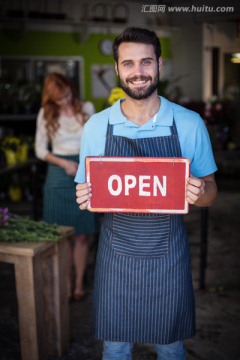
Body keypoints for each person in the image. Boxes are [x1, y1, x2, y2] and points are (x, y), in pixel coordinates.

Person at [75, 27, 218, 359]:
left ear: (159, 64)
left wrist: (199, 192)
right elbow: (88, 192)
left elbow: (211, 191)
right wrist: (84, 197)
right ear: (117, 69)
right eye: (128, 64)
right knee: (115, 347)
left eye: (145, 62)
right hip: (116, 257)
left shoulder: (189, 123)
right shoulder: (97, 126)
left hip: (169, 257)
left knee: (170, 347)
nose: (137, 72)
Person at [35, 72, 98, 301]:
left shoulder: (87, 108)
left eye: (67, 95)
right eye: (59, 99)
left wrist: (82, 164)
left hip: (84, 170)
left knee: (82, 236)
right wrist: (64, 163)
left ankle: (79, 284)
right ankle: (67, 282)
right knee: (61, 236)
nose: (65, 101)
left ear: (72, 89)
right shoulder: (46, 114)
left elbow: (96, 140)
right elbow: (40, 150)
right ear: (51, 99)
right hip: (58, 175)